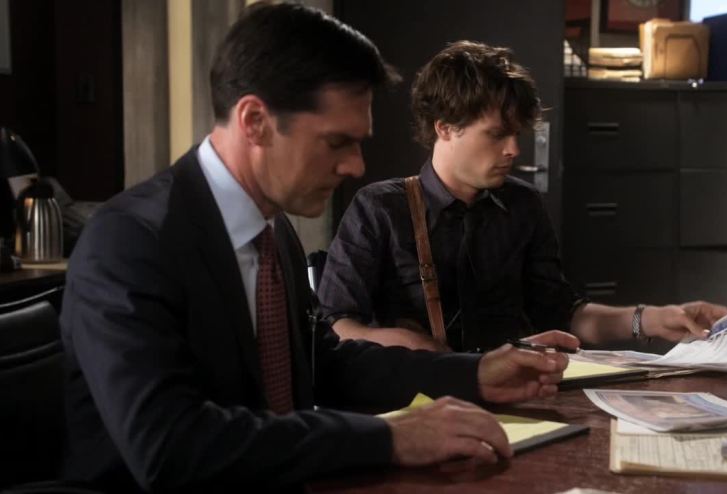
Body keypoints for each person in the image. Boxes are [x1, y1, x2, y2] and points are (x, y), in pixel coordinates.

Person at [60, 5, 578, 493]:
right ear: (255, 122)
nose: (356, 166)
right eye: (337, 142)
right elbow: (169, 446)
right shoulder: (130, 243)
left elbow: (322, 362)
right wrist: (389, 438)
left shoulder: (272, 231)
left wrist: (474, 373)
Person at [318, 41, 727, 353]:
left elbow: (565, 313)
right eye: (497, 134)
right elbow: (336, 326)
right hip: (420, 401)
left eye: (517, 134)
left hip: (517, 397)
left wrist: (651, 319)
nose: (514, 149)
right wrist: (413, 347)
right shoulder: (379, 208)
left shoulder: (523, 205)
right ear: (444, 127)